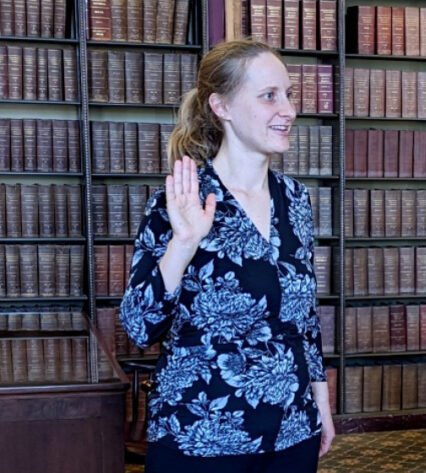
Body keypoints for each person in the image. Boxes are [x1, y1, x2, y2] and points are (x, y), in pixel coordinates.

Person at [119, 39, 334, 473]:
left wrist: (322, 404)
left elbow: (303, 318)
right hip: (201, 438)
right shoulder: (181, 199)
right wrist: (183, 242)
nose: (289, 110)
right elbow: (139, 326)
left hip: (292, 431)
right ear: (222, 106)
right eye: (269, 96)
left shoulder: (295, 198)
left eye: (289, 94)